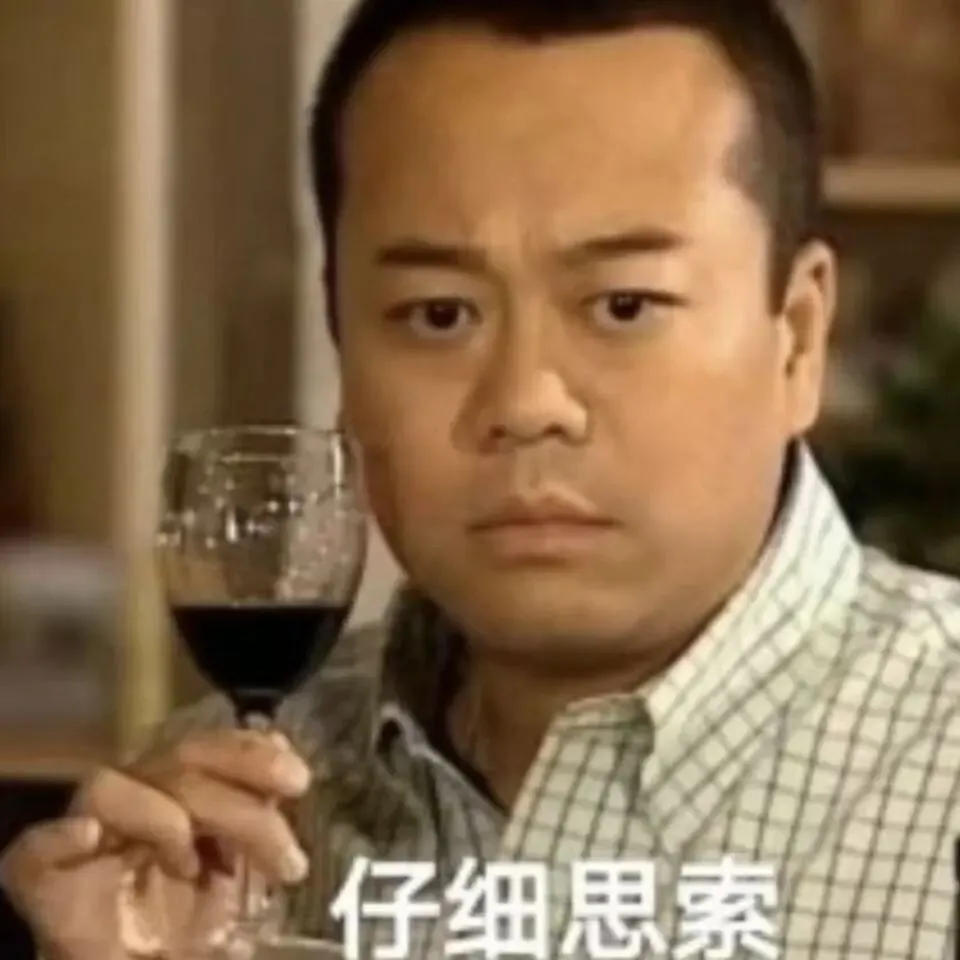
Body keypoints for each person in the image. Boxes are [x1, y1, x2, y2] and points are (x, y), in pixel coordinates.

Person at [3, 0, 959, 957]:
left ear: (798, 338)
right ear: (341, 344)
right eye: (439, 314)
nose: (527, 401)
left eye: (625, 305)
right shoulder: (214, 820)